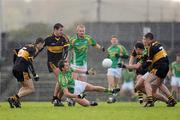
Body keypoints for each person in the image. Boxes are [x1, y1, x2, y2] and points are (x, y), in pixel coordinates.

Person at [8, 37, 45, 108]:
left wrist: (16, 64)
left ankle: (16, 100)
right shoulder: (35, 49)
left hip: (16, 69)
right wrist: (34, 74)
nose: (42, 47)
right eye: (42, 45)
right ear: (39, 44)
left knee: (25, 87)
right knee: (31, 89)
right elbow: (30, 61)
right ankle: (13, 98)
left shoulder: (28, 46)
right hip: (22, 69)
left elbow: (15, 51)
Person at [142, 32, 176, 107]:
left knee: (146, 82)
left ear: (148, 39)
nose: (144, 41)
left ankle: (150, 101)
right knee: (159, 85)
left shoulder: (151, 47)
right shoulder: (158, 44)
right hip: (166, 66)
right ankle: (172, 100)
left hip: (159, 66)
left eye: (145, 39)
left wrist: (143, 65)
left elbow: (149, 62)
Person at [44, 23, 69, 106]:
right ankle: (55, 98)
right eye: (60, 30)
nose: (62, 32)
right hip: (52, 63)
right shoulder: (48, 39)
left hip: (60, 63)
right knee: (61, 79)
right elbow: (39, 48)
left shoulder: (64, 38)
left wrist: (65, 60)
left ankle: (57, 99)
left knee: (65, 81)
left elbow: (66, 50)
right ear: (55, 30)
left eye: (62, 30)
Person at [106, 35, 128, 103]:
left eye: (115, 40)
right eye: (113, 40)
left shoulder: (121, 48)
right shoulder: (109, 49)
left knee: (115, 85)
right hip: (111, 68)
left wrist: (120, 55)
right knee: (111, 84)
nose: (114, 41)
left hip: (118, 68)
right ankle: (110, 98)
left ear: (117, 41)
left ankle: (114, 97)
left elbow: (127, 56)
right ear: (111, 41)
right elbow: (107, 59)